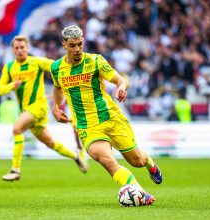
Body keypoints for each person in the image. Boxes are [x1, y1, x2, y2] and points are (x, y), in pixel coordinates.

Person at [50, 25, 162, 205]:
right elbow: (57, 88)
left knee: (137, 161)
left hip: (110, 118)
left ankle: (150, 164)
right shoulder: (56, 68)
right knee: (106, 160)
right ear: (64, 45)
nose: (77, 49)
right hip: (87, 125)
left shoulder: (95, 61)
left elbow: (120, 80)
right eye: (72, 45)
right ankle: (140, 194)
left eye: (80, 44)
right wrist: (55, 107)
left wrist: (121, 88)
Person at [0, 35, 88, 181]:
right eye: (17, 48)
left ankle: (15, 170)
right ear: (13, 50)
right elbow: (0, 89)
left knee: (16, 129)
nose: (20, 50)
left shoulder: (36, 62)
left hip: (38, 107)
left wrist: (69, 76)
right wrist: (11, 86)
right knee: (51, 143)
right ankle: (76, 156)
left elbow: (55, 66)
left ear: (27, 48)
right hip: (26, 111)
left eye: (22, 47)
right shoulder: (8, 68)